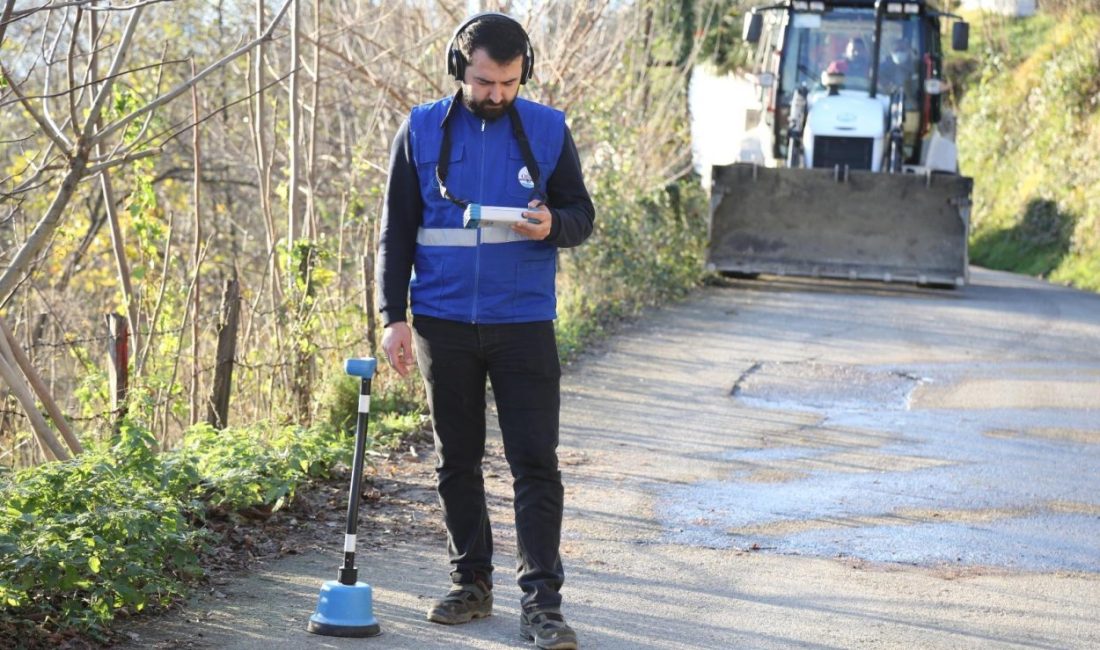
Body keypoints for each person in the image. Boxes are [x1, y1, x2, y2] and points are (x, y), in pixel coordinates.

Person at [375, 12, 594, 650]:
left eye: (508, 82)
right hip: (441, 323)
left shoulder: (550, 130)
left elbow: (582, 215)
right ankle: (471, 582)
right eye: (483, 82)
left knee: (534, 464)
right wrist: (393, 317)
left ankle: (542, 606)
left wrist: (553, 223)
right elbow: (396, 233)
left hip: (524, 322)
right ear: (457, 70)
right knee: (456, 462)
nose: (496, 94)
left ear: (524, 74)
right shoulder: (419, 130)